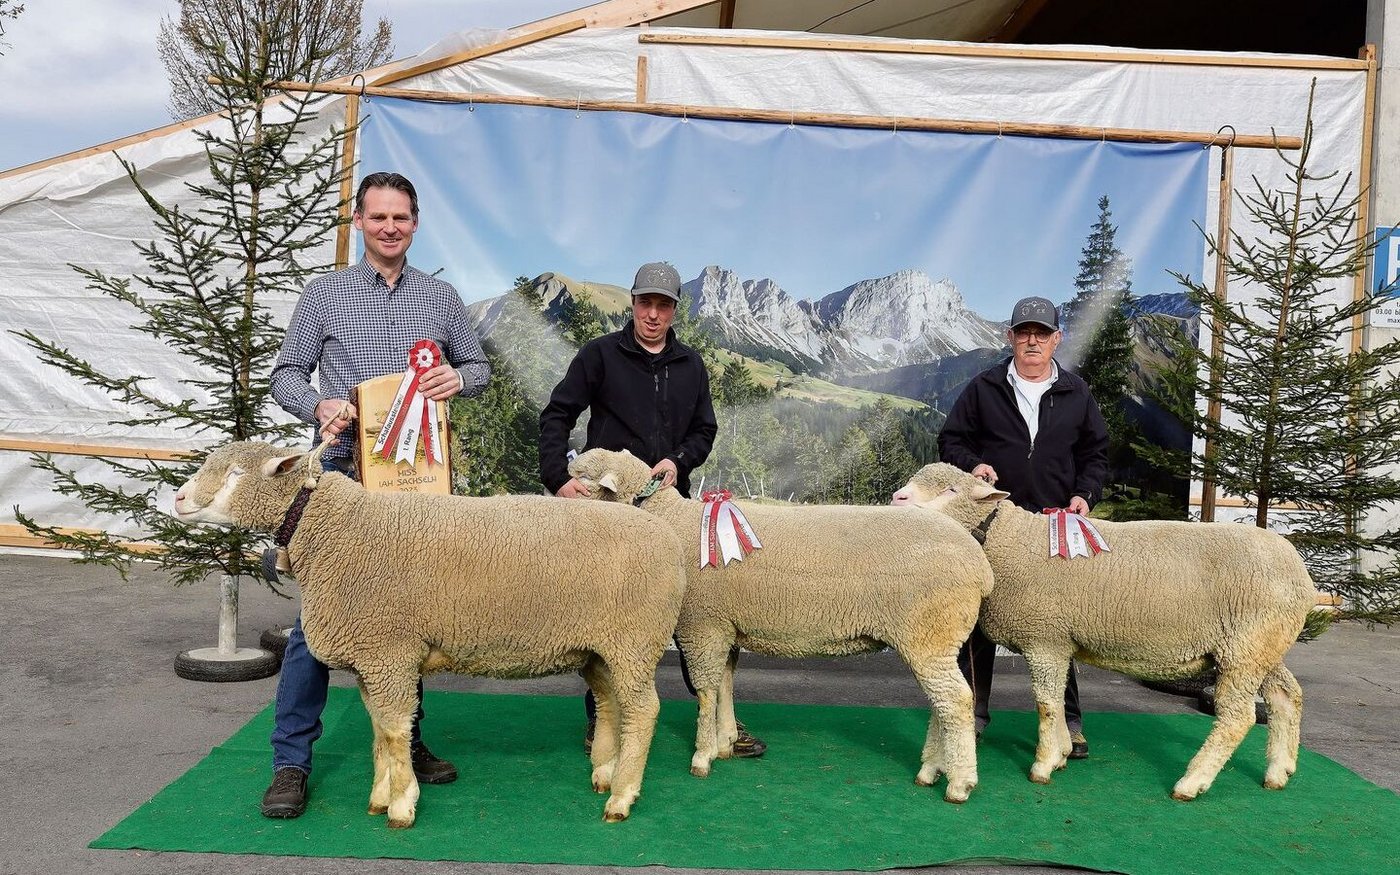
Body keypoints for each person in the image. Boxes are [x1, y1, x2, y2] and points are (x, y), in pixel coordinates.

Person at [261, 171, 492, 818]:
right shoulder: (324, 294)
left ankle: (407, 742)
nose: (391, 227)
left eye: (402, 217)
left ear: (415, 223)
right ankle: (290, 762)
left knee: (407, 617)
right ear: (358, 221)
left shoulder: (441, 298)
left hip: (418, 483)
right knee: (318, 623)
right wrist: (317, 402)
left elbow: (478, 368)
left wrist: (456, 378)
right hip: (340, 479)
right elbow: (284, 373)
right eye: (379, 216)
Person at [538, 260, 766, 758]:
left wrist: (679, 460)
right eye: (646, 303)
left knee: (694, 605)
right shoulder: (599, 356)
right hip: (611, 510)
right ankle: (602, 715)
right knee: (607, 609)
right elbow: (556, 415)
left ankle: (718, 717)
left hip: (669, 506)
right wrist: (559, 479)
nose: (653, 314)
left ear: (674, 309)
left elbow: (704, 430)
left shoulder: (691, 365)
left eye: (664, 305)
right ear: (633, 303)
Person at [937, 295, 1108, 759]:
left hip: (1054, 521)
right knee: (978, 618)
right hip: (993, 522)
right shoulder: (983, 388)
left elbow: (1095, 455)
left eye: (1041, 333)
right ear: (1010, 337)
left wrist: (1084, 495)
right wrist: (975, 465)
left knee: (1057, 620)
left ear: (1056, 339)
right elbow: (950, 440)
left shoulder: (1078, 393)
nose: (1032, 340)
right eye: (1023, 332)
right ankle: (970, 715)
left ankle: (1068, 722)